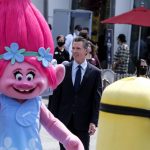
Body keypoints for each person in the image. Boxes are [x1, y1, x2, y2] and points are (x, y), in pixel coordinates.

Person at [0, 0, 84, 149]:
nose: (25, 82)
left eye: (31, 75)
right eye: (17, 75)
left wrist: (68, 138)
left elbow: (51, 123)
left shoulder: (36, 102)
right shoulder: (2, 101)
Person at [49, 36, 102, 150]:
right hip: (64, 121)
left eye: (78, 48)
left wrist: (93, 121)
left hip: (83, 123)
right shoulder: (64, 68)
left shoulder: (95, 73)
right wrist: (52, 118)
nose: (75, 51)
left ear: (86, 50)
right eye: (73, 48)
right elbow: (55, 96)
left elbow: (96, 100)